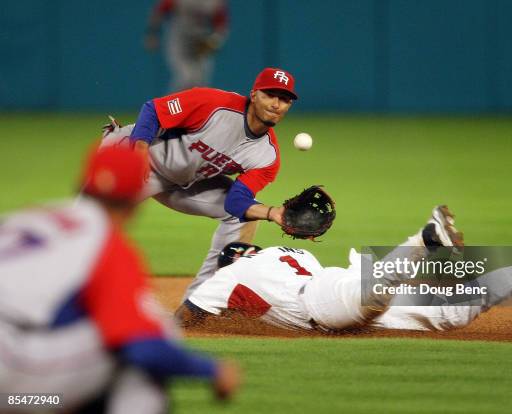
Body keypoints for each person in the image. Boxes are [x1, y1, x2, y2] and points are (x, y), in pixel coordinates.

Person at [0, 146, 240, 413]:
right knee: (150, 337)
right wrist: (211, 370)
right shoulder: (105, 243)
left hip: (17, 367)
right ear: (136, 200)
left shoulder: (29, 217)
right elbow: (143, 348)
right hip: (9, 371)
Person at [175, 206, 512, 333]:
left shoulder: (229, 277)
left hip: (326, 301)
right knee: (451, 314)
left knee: (371, 294)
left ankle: (423, 239)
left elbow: (186, 318)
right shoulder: (284, 255)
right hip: (338, 282)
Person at [101, 67, 298, 300]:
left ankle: (201, 301)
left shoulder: (267, 157)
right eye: (269, 95)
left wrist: (272, 212)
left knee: (243, 216)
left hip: (182, 181)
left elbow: (236, 203)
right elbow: (153, 109)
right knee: (92, 225)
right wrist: (139, 150)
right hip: (134, 155)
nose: (276, 104)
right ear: (254, 94)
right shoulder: (214, 103)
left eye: (284, 99)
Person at [145, 0, 229, 92]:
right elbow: (160, 11)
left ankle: (194, 105)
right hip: (179, 40)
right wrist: (152, 33)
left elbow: (221, 22)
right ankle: (171, 105)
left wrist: (215, 39)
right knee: (186, 77)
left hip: (200, 40)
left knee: (200, 80)